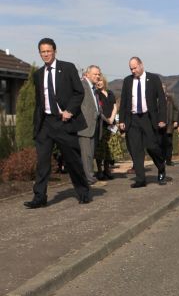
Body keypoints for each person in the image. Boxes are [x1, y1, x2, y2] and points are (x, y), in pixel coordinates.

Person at [25, 38, 91, 208]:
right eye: (42, 51)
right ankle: (40, 197)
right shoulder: (38, 74)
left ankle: (83, 191)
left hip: (64, 122)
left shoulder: (67, 68)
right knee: (42, 162)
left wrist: (69, 110)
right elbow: (40, 101)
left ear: (55, 51)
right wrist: (36, 125)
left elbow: (79, 92)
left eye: (48, 51)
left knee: (72, 160)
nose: (45, 54)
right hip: (45, 123)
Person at [118, 57, 167, 188]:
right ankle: (140, 179)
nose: (133, 71)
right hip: (133, 119)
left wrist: (162, 119)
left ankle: (161, 167)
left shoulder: (154, 79)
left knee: (152, 146)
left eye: (135, 68)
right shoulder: (127, 81)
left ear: (141, 65)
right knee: (136, 149)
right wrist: (122, 120)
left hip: (148, 118)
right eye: (131, 68)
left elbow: (162, 100)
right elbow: (123, 102)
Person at [78, 65, 102, 185]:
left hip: (94, 125)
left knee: (90, 154)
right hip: (85, 126)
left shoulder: (94, 89)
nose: (98, 76)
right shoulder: (82, 85)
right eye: (95, 74)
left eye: (99, 74)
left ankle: (89, 176)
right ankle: (88, 178)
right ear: (87, 74)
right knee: (86, 154)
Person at [95, 73, 120, 179]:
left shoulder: (110, 93)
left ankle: (107, 170)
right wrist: (107, 119)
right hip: (102, 125)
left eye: (101, 80)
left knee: (109, 150)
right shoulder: (96, 94)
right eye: (97, 81)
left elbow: (115, 107)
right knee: (101, 149)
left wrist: (111, 119)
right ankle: (99, 171)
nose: (99, 82)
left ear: (104, 81)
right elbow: (98, 110)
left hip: (111, 125)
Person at [160, 84, 178, 166]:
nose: (162, 90)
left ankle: (169, 160)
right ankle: (161, 160)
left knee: (169, 143)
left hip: (169, 125)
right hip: (159, 126)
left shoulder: (170, 98)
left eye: (163, 88)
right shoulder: (155, 98)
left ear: (165, 89)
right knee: (160, 143)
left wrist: (175, 121)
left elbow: (176, 109)